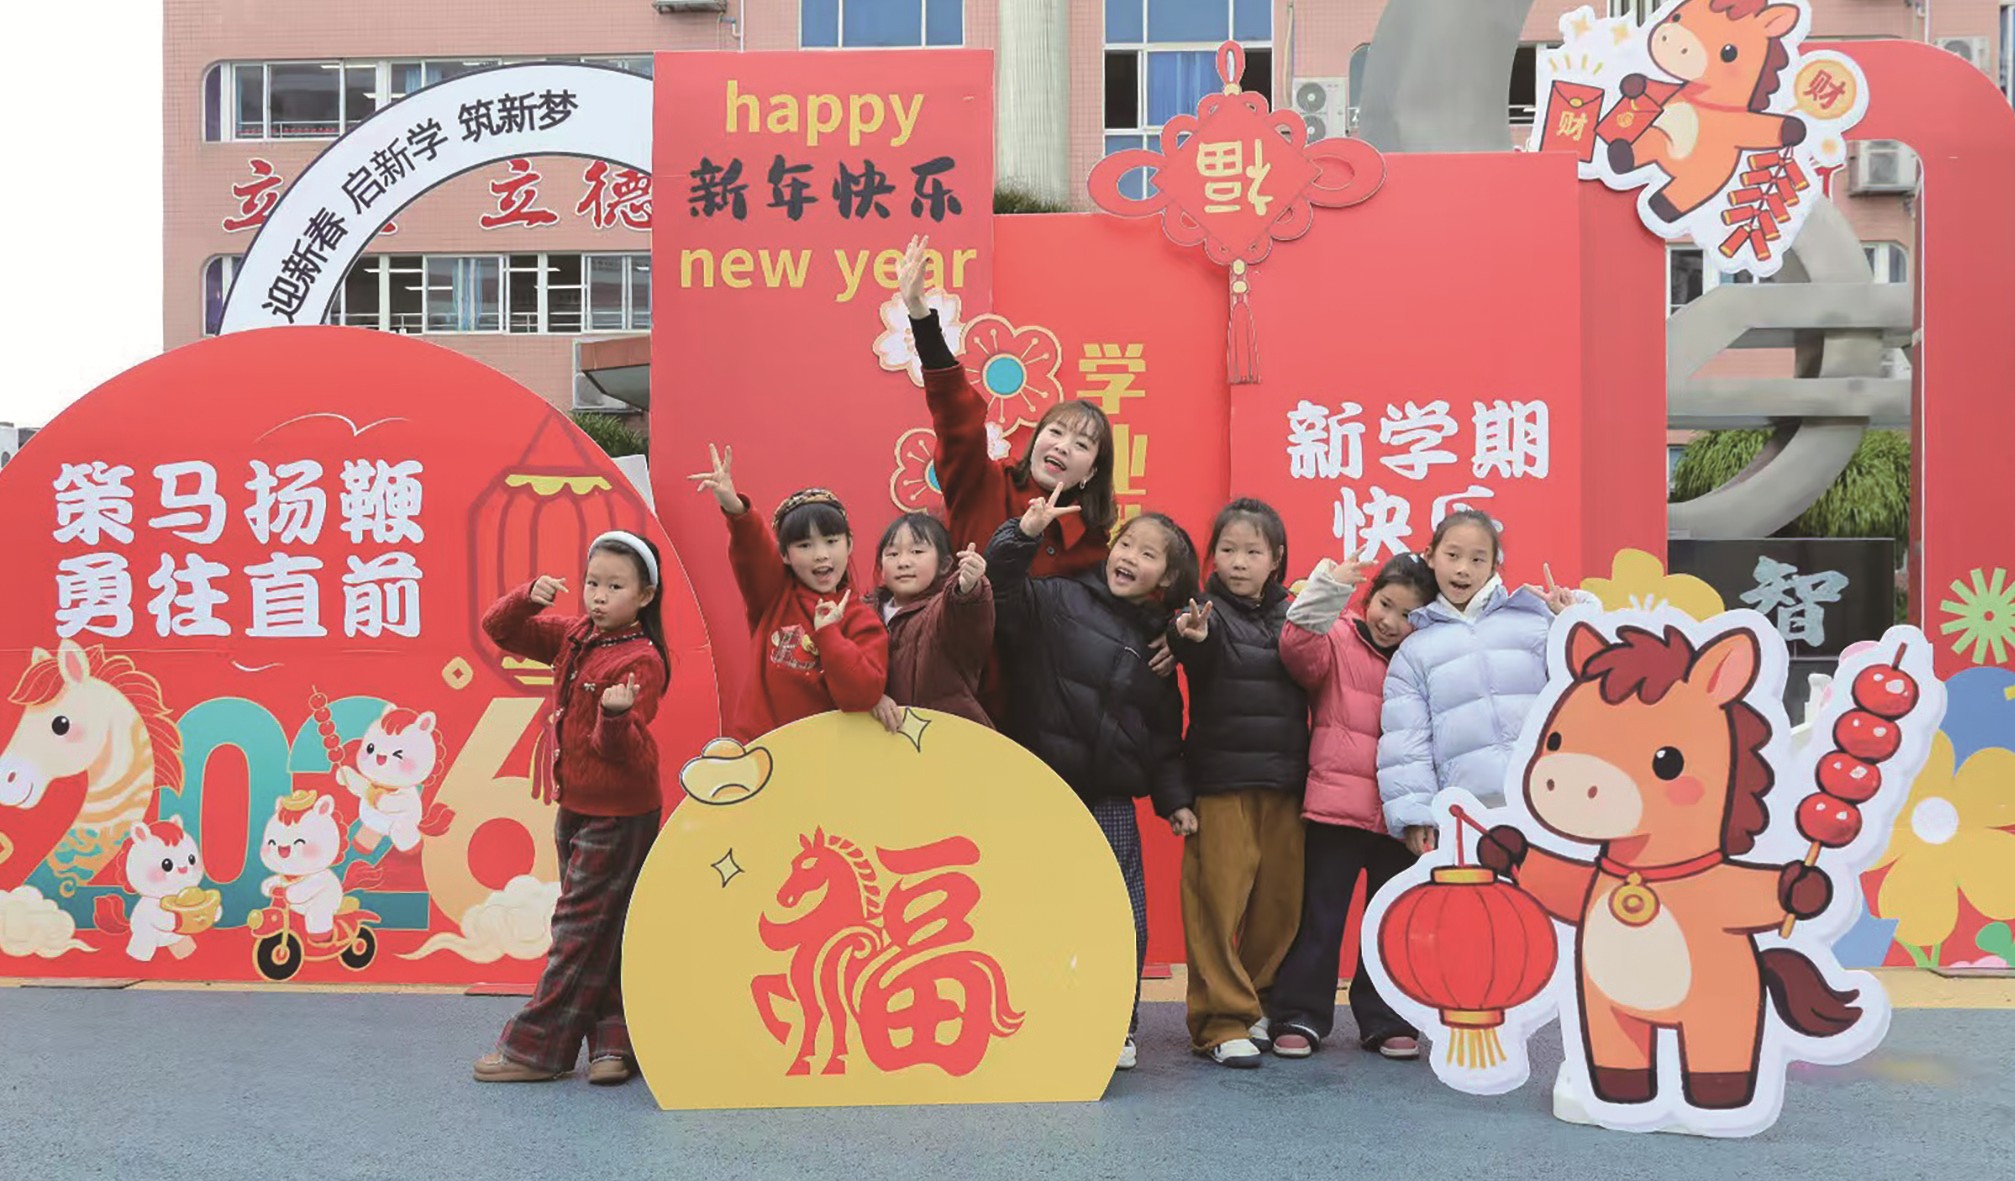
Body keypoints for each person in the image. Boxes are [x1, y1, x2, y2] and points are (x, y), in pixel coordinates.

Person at [896, 236, 1174, 720]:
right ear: (1036, 438)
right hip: (952, 690)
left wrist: (1173, 631)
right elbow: (957, 418)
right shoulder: (983, 483)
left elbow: (1139, 597)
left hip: (1041, 712)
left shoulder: (1093, 545)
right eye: (1056, 432)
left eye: (1082, 444)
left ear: (1092, 471)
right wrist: (921, 316)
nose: (1063, 447)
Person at [986, 489, 1198, 1073]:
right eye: (1126, 544)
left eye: (1148, 554)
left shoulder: (1160, 647)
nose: (1130, 557)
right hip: (1041, 787)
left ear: (1168, 577)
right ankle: (1027, 1014)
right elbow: (999, 594)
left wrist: (1175, 799)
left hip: (1109, 795)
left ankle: (1116, 1021)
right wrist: (1021, 537)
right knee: (1031, 903)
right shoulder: (1058, 597)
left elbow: (1164, 734)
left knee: (1122, 910)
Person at [473, 531, 672, 1086]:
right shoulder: (576, 635)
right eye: (592, 583)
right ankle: (612, 1043)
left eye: (615, 587)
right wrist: (527, 598)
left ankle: (538, 1047)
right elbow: (499, 630)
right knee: (601, 928)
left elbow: (622, 754)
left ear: (645, 596)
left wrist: (615, 716)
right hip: (577, 807)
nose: (599, 596)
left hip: (619, 814)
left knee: (578, 930)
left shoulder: (642, 661)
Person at [1267, 553, 1440, 1061]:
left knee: (1390, 924)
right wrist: (1327, 589)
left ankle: (1388, 1019)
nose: (1390, 621)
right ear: (1368, 596)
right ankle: (1300, 1013)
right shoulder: (1338, 635)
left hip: (1400, 817)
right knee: (1320, 918)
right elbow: (1296, 650)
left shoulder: (1426, 658)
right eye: (1385, 604)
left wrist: (1426, 813)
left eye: (1407, 615)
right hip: (1335, 811)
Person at [1166, 499, 1309, 1068]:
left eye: (1253, 551)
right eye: (1227, 550)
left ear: (1276, 558)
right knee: (1216, 908)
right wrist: (1190, 636)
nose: (1239, 562)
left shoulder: (1296, 616)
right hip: (1221, 783)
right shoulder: (1204, 612)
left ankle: (1257, 1005)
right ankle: (1219, 1021)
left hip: (1287, 783)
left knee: (1278, 907)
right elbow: (1190, 646)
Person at [1378, 510, 1586, 857]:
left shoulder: (1534, 623)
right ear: (1430, 556)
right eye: (1453, 555)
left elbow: (1589, 682)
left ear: (1493, 566)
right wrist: (1416, 813)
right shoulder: (1413, 652)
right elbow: (1407, 741)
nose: (1463, 569)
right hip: (1471, 816)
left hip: (1549, 799)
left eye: (1477, 559)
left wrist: (1572, 620)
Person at [692, 445, 889, 741]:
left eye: (831, 541)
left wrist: (829, 635)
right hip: (761, 754)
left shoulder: (863, 621)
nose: (821, 555)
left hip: (824, 759)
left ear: (849, 544)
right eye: (805, 545)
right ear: (784, 554)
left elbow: (861, 695)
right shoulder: (775, 596)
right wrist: (735, 510)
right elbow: (753, 551)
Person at [866, 511, 995, 730]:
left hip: (947, 737)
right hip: (881, 740)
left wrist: (968, 587)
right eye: (892, 554)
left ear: (944, 564)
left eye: (917, 552)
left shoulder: (943, 609)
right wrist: (868, 696)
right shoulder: (862, 613)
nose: (903, 562)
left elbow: (965, 614)